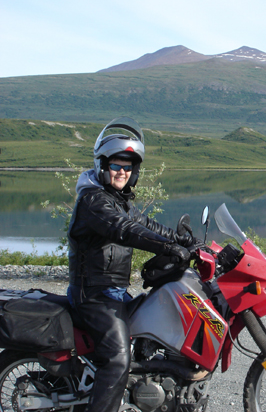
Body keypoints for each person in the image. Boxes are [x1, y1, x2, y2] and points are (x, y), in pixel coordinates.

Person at [67, 117, 193, 412]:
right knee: (118, 359)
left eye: (128, 167)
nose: (122, 171)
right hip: (94, 296)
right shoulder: (93, 201)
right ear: (102, 166)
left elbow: (145, 224)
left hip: (113, 292)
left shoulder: (117, 200)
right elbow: (123, 229)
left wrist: (186, 242)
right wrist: (167, 248)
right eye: (116, 165)